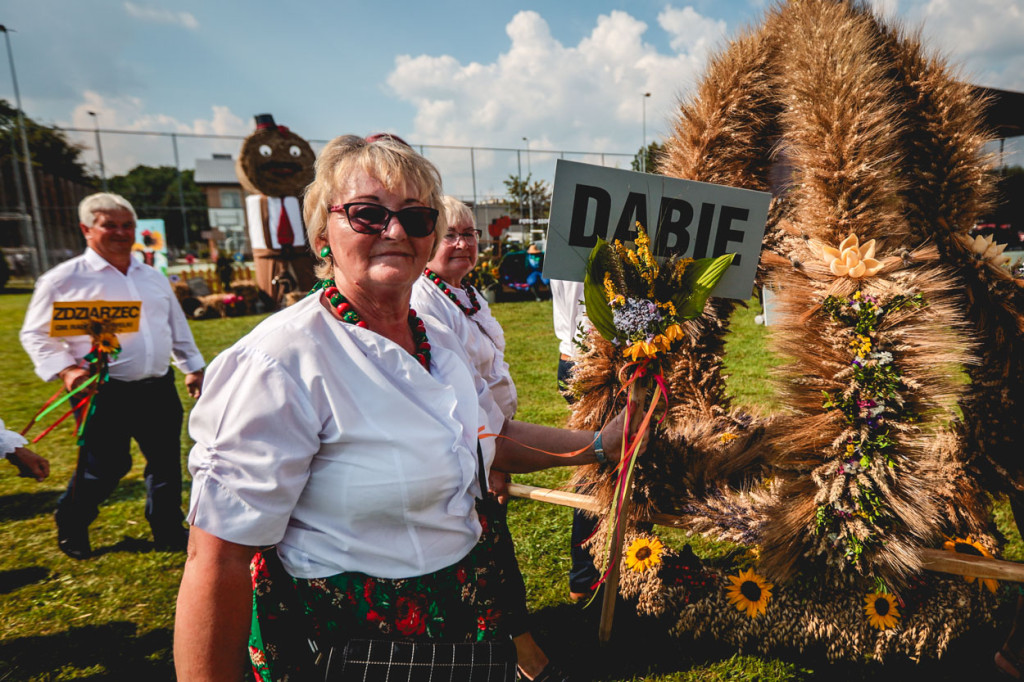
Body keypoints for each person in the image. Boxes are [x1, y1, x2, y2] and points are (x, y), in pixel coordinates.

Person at [174, 134, 639, 681]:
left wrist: (600, 445)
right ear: (324, 233)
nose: (395, 231)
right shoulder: (278, 362)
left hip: (464, 627)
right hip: (349, 647)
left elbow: (491, 437)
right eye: (368, 214)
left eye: (417, 218)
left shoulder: (437, 343)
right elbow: (217, 559)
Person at [411, 196, 567, 681]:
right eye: (450, 235)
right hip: (467, 446)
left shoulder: (468, 294)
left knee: (494, 549)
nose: (462, 243)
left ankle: (515, 649)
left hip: (493, 442)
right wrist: (492, 458)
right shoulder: (425, 301)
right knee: (486, 553)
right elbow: (458, 396)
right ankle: (523, 658)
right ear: (428, 243)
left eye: (470, 234)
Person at [20, 192, 206, 560]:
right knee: (105, 466)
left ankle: (167, 527)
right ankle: (72, 519)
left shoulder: (151, 276)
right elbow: (34, 333)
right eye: (110, 225)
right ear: (87, 229)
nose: (121, 233)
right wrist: (68, 369)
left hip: (157, 386)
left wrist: (192, 367)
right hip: (102, 391)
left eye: (127, 225)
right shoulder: (63, 280)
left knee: (166, 463)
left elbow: (176, 326)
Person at [550, 279, 602, 602]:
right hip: (589, 359)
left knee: (608, 462)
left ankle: (593, 572)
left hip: (578, 356)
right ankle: (585, 574)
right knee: (595, 461)